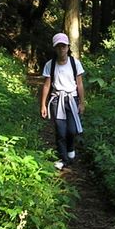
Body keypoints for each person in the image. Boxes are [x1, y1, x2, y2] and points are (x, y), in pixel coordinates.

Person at [40, 32, 85, 170]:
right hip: (56, 101)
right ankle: (64, 159)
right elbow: (47, 85)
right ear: (55, 48)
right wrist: (43, 104)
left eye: (64, 46)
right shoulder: (50, 64)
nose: (61, 49)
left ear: (68, 47)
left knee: (71, 130)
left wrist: (82, 102)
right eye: (58, 47)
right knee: (60, 131)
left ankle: (70, 149)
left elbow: (80, 84)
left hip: (72, 99)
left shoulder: (74, 63)